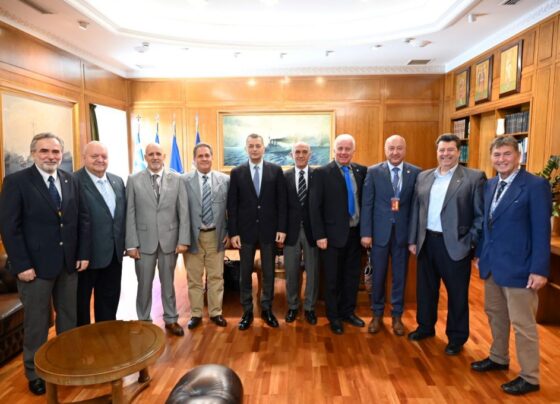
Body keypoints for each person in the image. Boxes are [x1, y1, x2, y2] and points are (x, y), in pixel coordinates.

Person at [0, 132, 90, 396]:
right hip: (34, 269)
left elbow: (81, 220)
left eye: (55, 151)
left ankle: (66, 363)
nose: (51, 156)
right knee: (37, 324)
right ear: (33, 154)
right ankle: (35, 373)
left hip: (68, 265)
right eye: (44, 151)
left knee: (69, 318)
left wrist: (82, 253)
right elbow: (10, 228)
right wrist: (22, 265)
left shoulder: (70, 180)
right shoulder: (16, 182)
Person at [471, 135, 551, 395]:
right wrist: (480, 254)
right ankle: (498, 357)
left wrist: (539, 269)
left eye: (507, 154)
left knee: (522, 324)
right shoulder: (490, 184)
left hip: (521, 268)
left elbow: (541, 230)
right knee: (496, 315)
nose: (501, 159)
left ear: (518, 156)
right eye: (497, 155)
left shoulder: (535, 185)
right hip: (493, 264)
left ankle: (530, 376)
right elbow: (487, 226)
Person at [408, 133, 485, 355]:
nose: (446, 154)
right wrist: (413, 239)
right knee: (426, 290)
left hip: (456, 246)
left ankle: (456, 338)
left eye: (450, 150)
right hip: (426, 242)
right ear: (437, 152)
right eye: (442, 150)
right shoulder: (424, 177)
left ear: (458, 152)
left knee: (457, 294)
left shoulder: (473, 178)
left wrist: (470, 242)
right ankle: (425, 327)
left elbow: (480, 216)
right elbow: (417, 210)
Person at [125, 143, 190, 336]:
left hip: (170, 241)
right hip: (143, 243)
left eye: (158, 154)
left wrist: (183, 240)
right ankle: (144, 321)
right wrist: (131, 244)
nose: (155, 157)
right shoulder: (133, 180)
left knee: (168, 284)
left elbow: (183, 212)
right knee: (144, 284)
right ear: (145, 157)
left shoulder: (177, 179)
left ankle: (171, 319)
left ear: (164, 156)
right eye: (151, 154)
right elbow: (130, 213)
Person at [360, 134, 420, 336]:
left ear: (405, 150)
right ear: (385, 150)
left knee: (400, 277)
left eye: (399, 148)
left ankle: (397, 316)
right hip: (379, 235)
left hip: (402, 235)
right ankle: (376, 314)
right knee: (378, 276)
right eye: (391, 148)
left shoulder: (415, 173)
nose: (395, 152)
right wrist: (366, 233)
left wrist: (413, 237)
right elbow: (367, 204)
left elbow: (415, 207)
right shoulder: (374, 171)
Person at [227, 133, 287, 330]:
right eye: (251, 146)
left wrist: (281, 228)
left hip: (269, 230)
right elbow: (232, 206)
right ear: (246, 148)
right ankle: (247, 311)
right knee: (245, 273)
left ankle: (267, 309)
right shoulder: (237, 172)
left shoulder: (275, 170)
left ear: (263, 148)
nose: (254, 149)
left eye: (257, 146)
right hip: (245, 232)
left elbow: (281, 202)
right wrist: (233, 232)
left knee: (268, 272)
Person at [310, 134, 367, 335]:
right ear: (334, 150)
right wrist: (319, 235)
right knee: (332, 279)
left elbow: (365, 202)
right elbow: (314, 207)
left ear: (353, 151)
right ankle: (333, 316)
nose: (343, 152)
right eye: (340, 148)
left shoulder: (361, 171)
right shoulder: (322, 173)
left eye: (347, 149)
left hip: (356, 235)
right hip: (331, 237)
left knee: (352, 277)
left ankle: (348, 312)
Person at [75, 141, 126, 325]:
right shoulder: (73, 181)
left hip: (113, 256)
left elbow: (121, 217)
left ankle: (105, 337)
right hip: (85, 257)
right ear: (84, 158)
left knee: (109, 304)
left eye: (104, 156)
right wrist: (79, 253)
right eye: (94, 156)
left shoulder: (117, 181)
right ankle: (83, 340)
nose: (100, 160)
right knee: (80, 306)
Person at [183, 143, 229, 329]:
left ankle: (215, 312)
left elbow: (231, 209)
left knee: (216, 277)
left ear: (212, 157)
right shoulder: (184, 180)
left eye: (207, 155)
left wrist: (229, 232)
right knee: (194, 278)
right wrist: (182, 238)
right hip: (192, 237)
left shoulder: (225, 180)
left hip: (216, 235)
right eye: (200, 156)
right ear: (194, 159)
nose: (204, 159)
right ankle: (196, 314)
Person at [283, 141, 319, 325]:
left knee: (313, 272)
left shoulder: (318, 176)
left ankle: (310, 308)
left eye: (305, 152)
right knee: (291, 272)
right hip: (291, 232)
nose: (301, 155)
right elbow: (280, 206)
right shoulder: (284, 176)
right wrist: (280, 231)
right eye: (297, 152)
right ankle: (292, 306)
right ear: (292, 155)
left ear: (310, 155)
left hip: (313, 232)